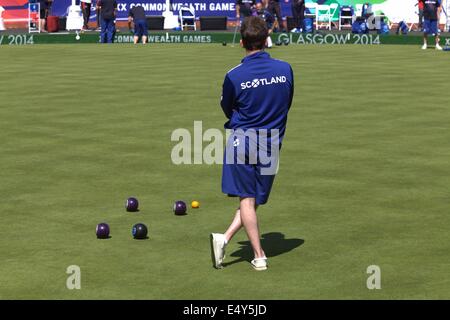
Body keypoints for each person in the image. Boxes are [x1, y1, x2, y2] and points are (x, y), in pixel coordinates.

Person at [210, 16, 294, 271]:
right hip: (271, 144)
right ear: (267, 39)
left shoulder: (234, 75)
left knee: (250, 200)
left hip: (243, 142)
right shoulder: (285, 69)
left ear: (242, 42)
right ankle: (259, 254)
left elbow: (226, 108)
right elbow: (286, 102)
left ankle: (224, 240)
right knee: (251, 199)